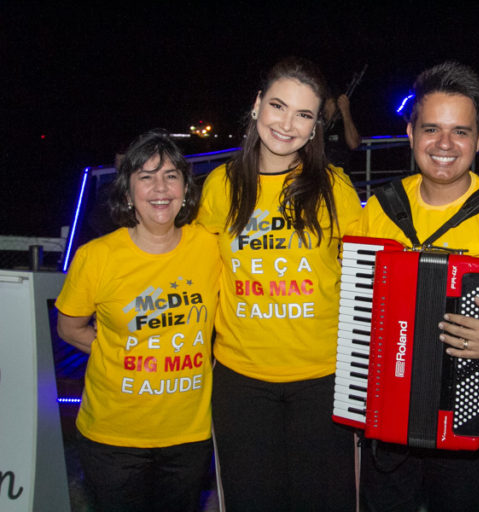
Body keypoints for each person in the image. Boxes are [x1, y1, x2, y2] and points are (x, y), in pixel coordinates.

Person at [354, 61, 479, 512]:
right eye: (431, 129)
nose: (444, 145)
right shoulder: (379, 208)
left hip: (464, 420)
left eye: (460, 132)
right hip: (385, 415)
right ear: (410, 133)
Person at [196, 57, 362, 511]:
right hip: (240, 380)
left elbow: (369, 275)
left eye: (304, 115)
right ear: (256, 107)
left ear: (315, 128)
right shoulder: (219, 187)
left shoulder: (336, 189)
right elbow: (197, 272)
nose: (287, 124)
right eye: (278, 106)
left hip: (322, 380)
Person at [56, 129, 221, 512]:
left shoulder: (210, 247)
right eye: (146, 177)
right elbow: (69, 326)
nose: (160, 188)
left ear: (185, 188)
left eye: (170, 175)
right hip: (112, 438)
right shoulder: (96, 257)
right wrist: (118, 349)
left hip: (188, 436)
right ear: (128, 194)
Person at [324, 92, 362, 170]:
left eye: (331, 104)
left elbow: (354, 144)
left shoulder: (344, 124)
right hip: (320, 173)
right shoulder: (318, 125)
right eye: (325, 104)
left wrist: (345, 111)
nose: (327, 107)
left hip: (340, 172)